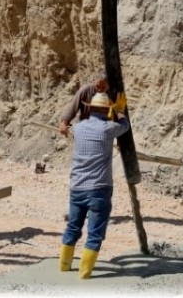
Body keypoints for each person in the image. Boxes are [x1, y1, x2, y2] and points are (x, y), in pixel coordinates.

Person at [58, 91, 129, 279]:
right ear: (107, 111)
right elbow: (125, 126)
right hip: (99, 188)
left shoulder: (79, 128)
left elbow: (75, 125)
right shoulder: (108, 128)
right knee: (95, 233)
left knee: (72, 228)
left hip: (77, 187)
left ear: (89, 108)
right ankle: (84, 273)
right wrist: (120, 111)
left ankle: (64, 266)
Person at [58, 69, 108, 137]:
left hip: (102, 133)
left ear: (108, 86)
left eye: (103, 88)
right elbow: (73, 107)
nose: (100, 90)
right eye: (98, 86)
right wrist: (64, 123)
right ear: (95, 81)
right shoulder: (86, 90)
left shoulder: (111, 95)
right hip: (84, 130)